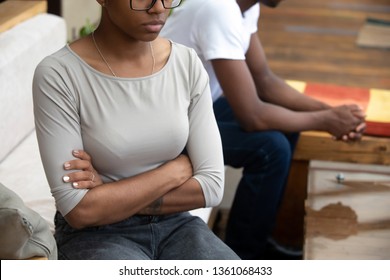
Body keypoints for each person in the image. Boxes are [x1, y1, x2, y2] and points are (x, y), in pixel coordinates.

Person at [32, 0, 239, 260]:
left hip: (177, 225)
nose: (159, 8)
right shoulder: (58, 74)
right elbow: (80, 210)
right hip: (96, 235)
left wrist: (107, 188)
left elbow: (211, 187)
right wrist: (175, 171)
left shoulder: (186, 63)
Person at [160, 0, 366, 259]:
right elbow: (252, 117)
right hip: (167, 125)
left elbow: (265, 81)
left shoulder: (245, 7)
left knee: (287, 126)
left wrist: (332, 113)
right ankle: (243, 255)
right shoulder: (218, 8)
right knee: (271, 148)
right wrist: (326, 120)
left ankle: (259, 236)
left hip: (197, 110)